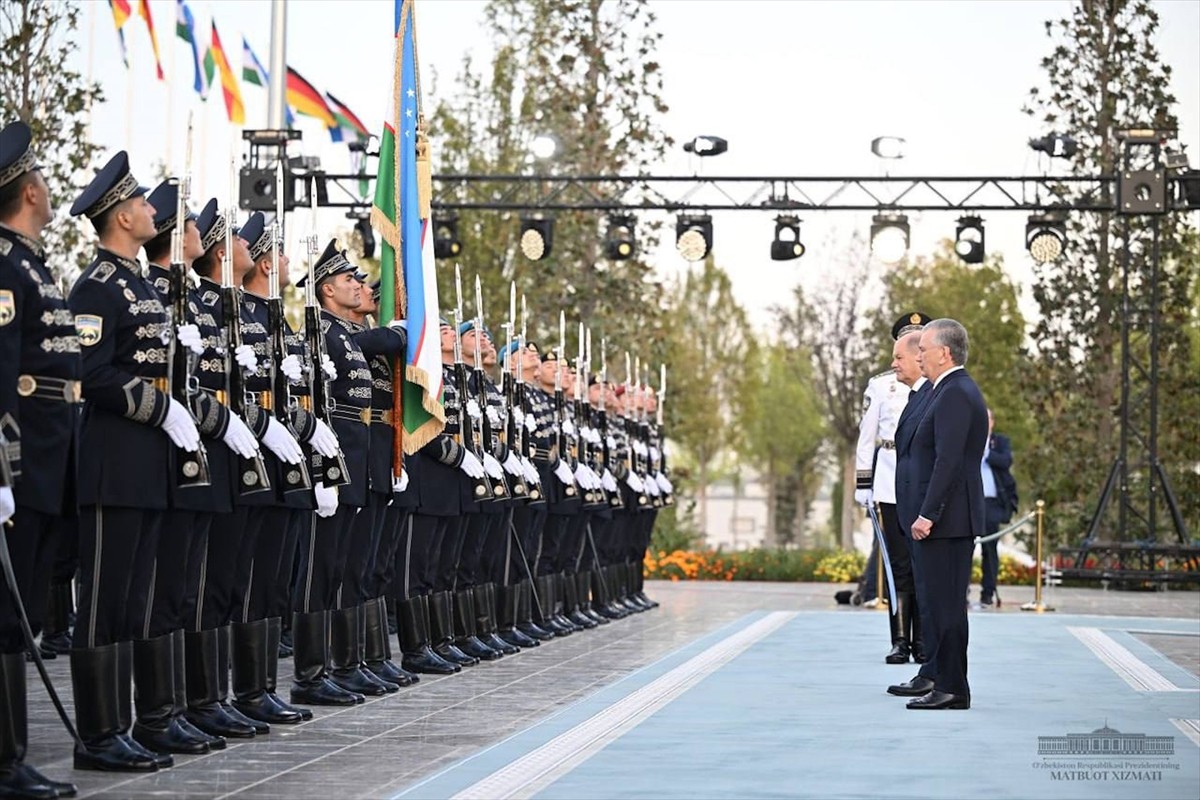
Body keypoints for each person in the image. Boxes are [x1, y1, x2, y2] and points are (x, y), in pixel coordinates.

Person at [0, 119, 81, 798]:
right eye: (44, 180)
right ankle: (5, 761)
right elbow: (2, 367)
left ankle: (12, 755)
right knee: (8, 609)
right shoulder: (4, 261)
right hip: (19, 458)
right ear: (29, 189)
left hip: (50, 455)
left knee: (23, 602)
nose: (49, 189)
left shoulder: (29, 259)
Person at [888, 318, 987, 711]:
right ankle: (941, 679)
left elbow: (949, 461)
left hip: (948, 522)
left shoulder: (956, 393)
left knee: (946, 607)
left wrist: (928, 514)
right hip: (941, 521)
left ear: (944, 353)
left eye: (924, 350)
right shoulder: (943, 390)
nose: (920, 356)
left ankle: (952, 687)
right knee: (938, 604)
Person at [854, 312, 931, 664]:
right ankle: (900, 639)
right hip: (888, 480)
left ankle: (925, 641)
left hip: (924, 484)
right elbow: (867, 436)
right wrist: (864, 483)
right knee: (897, 566)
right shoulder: (881, 385)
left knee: (924, 567)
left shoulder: (935, 384)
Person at [978, 410, 1017, 608]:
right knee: (963, 549)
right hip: (971, 502)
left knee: (990, 549)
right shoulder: (966, 441)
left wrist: (985, 451)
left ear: (992, 422)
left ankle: (988, 593)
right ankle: (961, 593)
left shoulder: (999, 442)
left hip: (992, 503)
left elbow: (1005, 461)